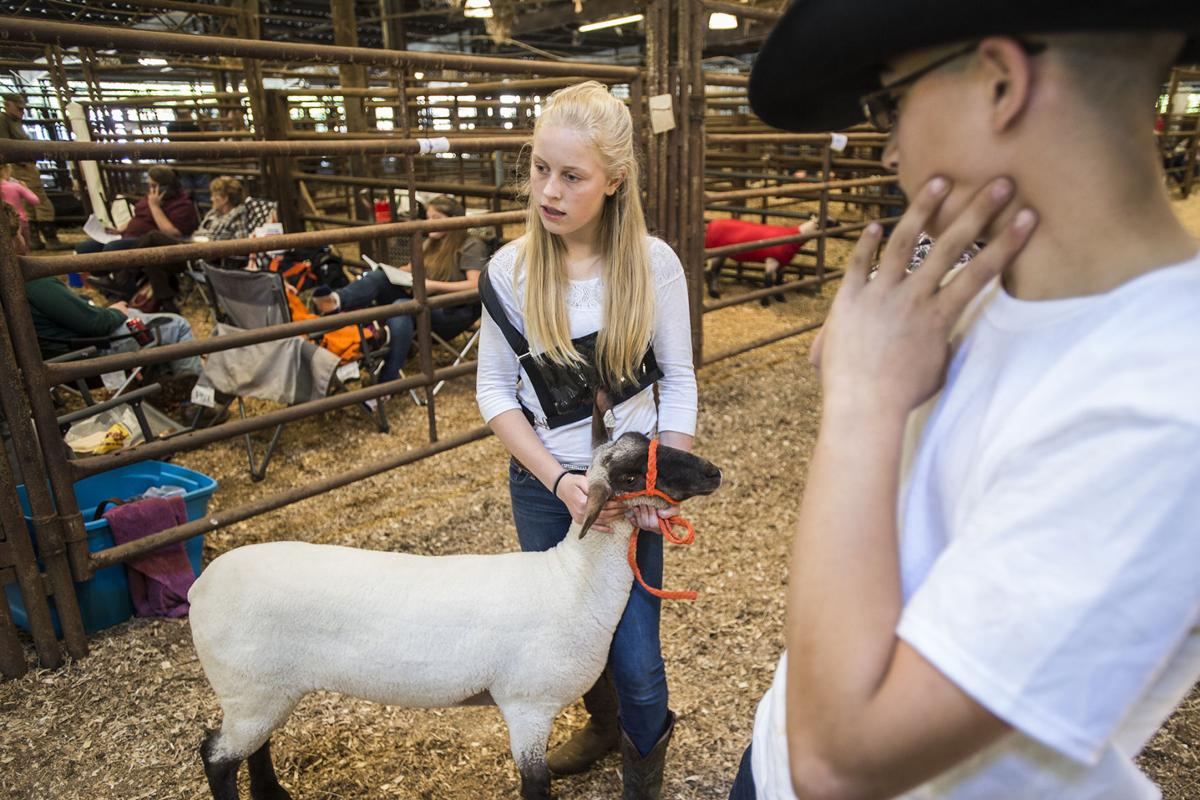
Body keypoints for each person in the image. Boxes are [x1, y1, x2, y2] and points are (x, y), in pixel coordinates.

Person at [730, 5, 1200, 800]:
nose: (887, 145)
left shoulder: (1165, 407)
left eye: (891, 102)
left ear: (1002, 83)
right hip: (776, 740)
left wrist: (862, 398)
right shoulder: (985, 291)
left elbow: (841, 762)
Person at [475, 81, 697, 798]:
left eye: (571, 176)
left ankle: (643, 775)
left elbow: (681, 384)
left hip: (631, 490)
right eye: (540, 168)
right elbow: (493, 394)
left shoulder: (654, 265)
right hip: (548, 487)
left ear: (613, 181)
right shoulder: (510, 270)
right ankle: (603, 728)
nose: (549, 190)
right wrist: (561, 483)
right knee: (567, 639)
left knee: (636, 658)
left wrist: (658, 486)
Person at [313, 194, 486, 384]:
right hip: (424, 302)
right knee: (379, 277)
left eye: (436, 218)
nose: (429, 223)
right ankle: (336, 301)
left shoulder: (470, 245)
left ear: (453, 220)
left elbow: (475, 286)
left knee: (403, 307)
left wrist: (433, 286)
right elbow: (410, 268)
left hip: (451, 312)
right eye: (427, 218)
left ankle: (387, 377)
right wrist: (391, 271)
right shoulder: (431, 242)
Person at [77, 165, 199, 257]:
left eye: (154, 185)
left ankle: (123, 283)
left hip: (147, 242)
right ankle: (104, 280)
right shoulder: (151, 197)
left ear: (165, 187)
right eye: (149, 185)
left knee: (112, 249)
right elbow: (138, 216)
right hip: (128, 235)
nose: (150, 189)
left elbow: (172, 233)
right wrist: (120, 229)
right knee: (85, 247)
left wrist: (155, 207)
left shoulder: (182, 204)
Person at [0, 93, 67, 251]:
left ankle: (35, 240)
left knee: (26, 205)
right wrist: (22, 161)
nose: (22, 112)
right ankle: (50, 238)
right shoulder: (3, 121)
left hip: (18, 165)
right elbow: (5, 146)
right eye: (19, 108)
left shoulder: (12, 121)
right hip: (20, 166)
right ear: (8, 104)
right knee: (40, 201)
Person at [0, 162, 40, 246]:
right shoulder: (15, 186)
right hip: (19, 220)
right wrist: (25, 188)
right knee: (22, 245)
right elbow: (35, 200)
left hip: (2, 221)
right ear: (6, 171)